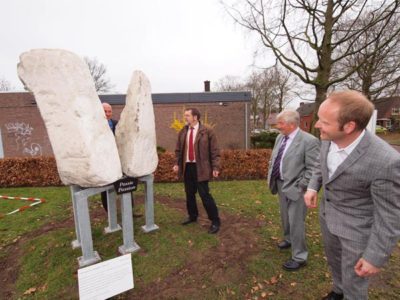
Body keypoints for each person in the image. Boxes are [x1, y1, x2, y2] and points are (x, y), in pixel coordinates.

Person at [304, 90, 400, 300]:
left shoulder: (386, 161)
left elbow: (390, 216)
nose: (317, 125)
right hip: (328, 219)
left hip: (357, 232)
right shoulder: (328, 138)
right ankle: (338, 291)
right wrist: (313, 187)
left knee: (354, 283)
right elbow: (320, 165)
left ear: (349, 126)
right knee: (335, 263)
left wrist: (375, 257)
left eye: (324, 122)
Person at [267, 110, 320, 271]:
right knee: (285, 217)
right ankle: (289, 239)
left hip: (297, 188)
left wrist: (302, 185)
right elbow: (276, 158)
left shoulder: (309, 141)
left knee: (296, 221)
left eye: (280, 123)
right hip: (280, 184)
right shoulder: (280, 137)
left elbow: (313, 168)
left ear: (291, 124)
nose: (277, 126)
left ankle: (300, 256)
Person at [173, 108, 221, 234]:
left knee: (205, 195)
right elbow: (178, 150)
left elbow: (215, 151)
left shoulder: (207, 131)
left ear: (195, 117)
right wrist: (177, 163)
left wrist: (216, 167)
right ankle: (192, 216)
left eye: (187, 115)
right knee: (189, 194)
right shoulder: (183, 131)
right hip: (187, 167)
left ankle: (215, 221)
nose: (185, 118)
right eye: (185, 115)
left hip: (202, 168)